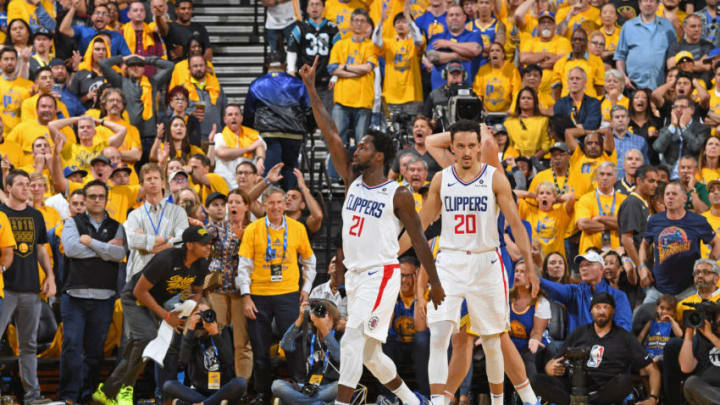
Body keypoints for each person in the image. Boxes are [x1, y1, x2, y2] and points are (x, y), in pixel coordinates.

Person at [300, 54, 445, 405]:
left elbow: (419, 238)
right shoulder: (352, 180)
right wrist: (311, 89)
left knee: (351, 339)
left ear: (379, 156)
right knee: (369, 355)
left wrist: (436, 283)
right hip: (355, 275)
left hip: (382, 274)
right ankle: (412, 402)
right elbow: (330, 132)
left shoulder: (397, 194)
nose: (356, 149)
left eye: (364, 146)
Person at [398, 119, 538, 405]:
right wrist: (391, 253)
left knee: (493, 340)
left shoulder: (495, 177)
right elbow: (420, 224)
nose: (465, 151)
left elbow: (518, 226)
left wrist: (532, 267)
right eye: (459, 146)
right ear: (452, 147)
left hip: (487, 261)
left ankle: (515, 400)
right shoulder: (441, 179)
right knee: (442, 335)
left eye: (471, 146)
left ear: (479, 147)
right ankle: (440, 401)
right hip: (450, 261)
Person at [93, 225, 211, 405]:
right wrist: (166, 316)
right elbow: (140, 291)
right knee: (147, 337)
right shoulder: (166, 259)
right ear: (189, 245)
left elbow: (197, 291)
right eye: (203, 244)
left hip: (155, 302)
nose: (208, 247)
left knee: (140, 348)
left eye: (209, 243)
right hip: (134, 298)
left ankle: (108, 391)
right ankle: (122, 388)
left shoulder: (201, 264)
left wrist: (190, 308)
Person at [235, 186, 317, 403]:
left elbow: (310, 261)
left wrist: (306, 290)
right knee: (260, 348)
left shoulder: (297, 228)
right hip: (258, 295)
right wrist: (245, 296)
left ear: (285, 204)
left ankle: (298, 387)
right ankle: (262, 392)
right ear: (263, 205)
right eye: (271, 202)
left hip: (288, 294)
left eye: (280, 202)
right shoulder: (253, 229)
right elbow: (244, 266)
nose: (276, 207)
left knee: (294, 345)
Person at [58, 179, 127, 404]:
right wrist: (105, 248)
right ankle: (69, 396)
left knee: (96, 352)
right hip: (74, 296)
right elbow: (71, 249)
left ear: (107, 200)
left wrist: (91, 243)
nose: (97, 200)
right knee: (71, 346)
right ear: (85, 200)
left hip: (104, 298)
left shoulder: (117, 225)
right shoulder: (71, 223)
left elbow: (119, 254)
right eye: (92, 196)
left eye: (101, 196)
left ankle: (87, 395)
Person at [533, 292, 661, 405]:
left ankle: (584, 402)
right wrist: (550, 368)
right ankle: (574, 401)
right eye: (597, 307)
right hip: (573, 387)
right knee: (537, 380)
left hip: (604, 391)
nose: (601, 311)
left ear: (613, 311)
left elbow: (653, 370)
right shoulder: (579, 333)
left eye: (606, 307)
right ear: (591, 311)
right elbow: (552, 363)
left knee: (625, 381)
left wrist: (653, 398)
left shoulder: (625, 337)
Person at [0, 170, 54, 404]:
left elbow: (42, 248)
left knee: (29, 346)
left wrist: (50, 275)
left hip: (31, 287)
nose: (26, 188)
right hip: (4, 289)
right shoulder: (1, 214)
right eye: (21, 184)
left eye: (28, 184)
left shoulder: (36, 215)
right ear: (8, 188)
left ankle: (32, 396)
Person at [639, 181, 720, 304]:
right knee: (641, 318)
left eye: (674, 194)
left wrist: (705, 268)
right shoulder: (654, 220)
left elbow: (716, 244)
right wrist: (642, 266)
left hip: (688, 289)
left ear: (684, 198)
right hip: (658, 289)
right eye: (667, 194)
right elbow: (644, 244)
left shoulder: (698, 220)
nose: (670, 197)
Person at [243, 53, 312, 190]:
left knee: (271, 174)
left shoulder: (257, 84)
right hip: (294, 134)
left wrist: (248, 130)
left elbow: (249, 112)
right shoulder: (297, 84)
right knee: (290, 170)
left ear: (267, 65)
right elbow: (309, 109)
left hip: (268, 134)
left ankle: (270, 205)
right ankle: (290, 203)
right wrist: (310, 127)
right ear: (284, 65)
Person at [162, 302, 248, 405]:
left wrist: (215, 334)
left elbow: (229, 361)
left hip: (223, 390)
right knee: (168, 385)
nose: (202, 318)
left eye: (205, 313)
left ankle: (201, 403)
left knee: (241, 382)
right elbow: (182, 362)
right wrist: (190, 330)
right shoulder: (189, 336)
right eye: (199, 314)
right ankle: (210, 403)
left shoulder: (223, 331)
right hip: (200, 391)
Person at [124, 163, 189, 283]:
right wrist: (166, 238)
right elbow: (133, 241)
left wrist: (147, 246)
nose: (153, 182)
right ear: (142, 184)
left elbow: (182, 240)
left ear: (163, 182)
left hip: (169, 276)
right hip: (139, 275)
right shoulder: (134, 215)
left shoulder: (178, 212)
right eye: (148, 179)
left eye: (156, 178)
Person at [99, 54, 174, 159]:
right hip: (129, 136)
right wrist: (123, 58)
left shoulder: (153, 83)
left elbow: (170, 66)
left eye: (139, 65)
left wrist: (147, 59)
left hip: (150, 137)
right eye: (132, 65)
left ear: (144, 68)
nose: (135, 67)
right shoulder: (121, 82)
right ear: (127, 68)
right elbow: (103, 64)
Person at [270, 300, 342, 404]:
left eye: (328, 317)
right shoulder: (307, 336)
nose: (324, 320)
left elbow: (338, 356)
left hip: (327, 387)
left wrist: (324, 329)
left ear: (334, 318)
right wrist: (300, 318)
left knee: (338, 387)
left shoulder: (340, 336)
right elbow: (285, 345)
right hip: (303, 386)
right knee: (277, 385)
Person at [541, 251, 632, 332]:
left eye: (588, 264)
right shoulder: (575, 291)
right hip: (577, 347)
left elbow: (624, 327)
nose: (583, 268)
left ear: (601, 269)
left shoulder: (618, 296)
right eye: (581, 266)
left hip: (606, 346)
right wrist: (536, 279)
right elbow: (554, 288)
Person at [328, 8, 378, 145]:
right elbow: (332, 68)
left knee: (361, 143)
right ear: (350, 23)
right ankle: (337, 167)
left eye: (362, 21)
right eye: (356, 20)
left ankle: (357, 168)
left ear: (367, 25)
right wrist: (357, 71)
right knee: (337, 141)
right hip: (342, 100)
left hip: (363, 100)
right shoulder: (340, 44)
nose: (359, 24)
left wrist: (344, 67)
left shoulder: (371, 46)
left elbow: (368, 68)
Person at [286, 0, 340, 113]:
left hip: (326, 81)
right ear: (306, 9)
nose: (315, 7)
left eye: (318, 4)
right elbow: (292, 50)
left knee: (326, 116)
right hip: (305, 80)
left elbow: (339, 52)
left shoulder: (332, 28)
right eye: (312, 4)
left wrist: (335, 76)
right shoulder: (300, 27)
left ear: (324, 8)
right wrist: (291, 70)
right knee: (306, 116)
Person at [615, 0, 678, 90]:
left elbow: (674, 54)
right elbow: (620, 56)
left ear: (657, 5)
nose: (648, 4)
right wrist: (623, 77)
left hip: (661, 87)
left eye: (652, 1)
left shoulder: (667, 25)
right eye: (645, 1)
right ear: (640, 4)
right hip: (633, 87)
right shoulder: (628, 26)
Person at [373, 8, 424, 116]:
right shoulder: (389, 43)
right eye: (398, 22)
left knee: (412, 130)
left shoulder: (414, 43)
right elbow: (376, 41)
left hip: (413, 96)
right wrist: (381, 22)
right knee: (392, 132)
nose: (400, 25)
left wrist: (410, 21)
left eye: (404, 22)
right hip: (391, 97)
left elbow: (418, 40)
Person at [508, 260, 551, 380]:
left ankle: (532, 396)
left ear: (533, 277)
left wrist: (533, 340)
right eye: (516, 271)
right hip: (512, 340)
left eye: (523, 272)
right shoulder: (506, 298)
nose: (517, 274)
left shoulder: (541, 302)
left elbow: (537, 332)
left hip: (535, 340)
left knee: (528, 356)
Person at [425, 4, 483, 90]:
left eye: (457, 15)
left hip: (466, 90)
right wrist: (459, 56)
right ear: (446, 19)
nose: (454, 17)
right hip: (439, 93)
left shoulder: (474, 36)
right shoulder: (437, 37)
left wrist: (448, 44)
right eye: (451, 15)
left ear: (464, 18)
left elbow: (475, 50)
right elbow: (432, 57)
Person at [576, 162, 626, 253]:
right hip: (590, 252)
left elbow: (625, 224)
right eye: (602, 174)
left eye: (609, 174)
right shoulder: (585, 199)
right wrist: (613, 224)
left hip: (615, 253)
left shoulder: (624, 200)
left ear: (615, 178)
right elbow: (583, 224)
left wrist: (599, 218)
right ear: (597, 177)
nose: (605, 178)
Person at [213, 104, 265, 190]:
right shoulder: (219, 136)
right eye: (230, 115)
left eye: (236, 114)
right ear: (225, 119)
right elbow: (222, 153)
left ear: (241, 118)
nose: (234, 117)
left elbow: (260, 145)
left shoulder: (251, 135)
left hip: (248, 184)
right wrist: (249, 148)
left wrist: (260, 159)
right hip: (226, 183)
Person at [654, 96, 711, 173]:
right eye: (675, 107)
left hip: (692, 174)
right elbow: (658, 148)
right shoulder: (667, 129)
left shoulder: (703, 129)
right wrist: (673, 126)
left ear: (692, 110)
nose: (678, 109)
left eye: (682, 107)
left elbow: (695, 147)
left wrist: (683, 126)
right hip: (668, 175)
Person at [518, 181, 575, 258]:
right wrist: (533, 195)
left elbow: (571, 197)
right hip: (535, 260)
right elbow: (512, 194)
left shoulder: (560, 213)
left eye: (548, 193)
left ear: (554, 197)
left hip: (556, 260)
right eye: (541, 193)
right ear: (537, 198)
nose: (544, 196)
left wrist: (556, 199)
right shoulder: (530, 212)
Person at [618, 165, 659, 269]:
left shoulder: (646, 202)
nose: (655, 185)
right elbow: (626, 239)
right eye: (651, 181)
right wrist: (640, 267)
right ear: (639, 180)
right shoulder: (632, 203)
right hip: (637, 266)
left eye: (656, 182)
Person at [679, 306, 720, 404]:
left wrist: (711, 336)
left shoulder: (709, 335)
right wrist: (688, 333)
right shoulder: (701, 337)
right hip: (707, 393)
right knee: (690, 383)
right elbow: (686, 367)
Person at [551, 28, 605, 99]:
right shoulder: (560, 63)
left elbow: (600, 88)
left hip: (589, 104)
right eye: (575, 40)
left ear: (586, 42)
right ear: (571, 42)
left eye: (580, 40)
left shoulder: (596, 61)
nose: (577, 42)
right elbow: (556, 89)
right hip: (567, 105)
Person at [58, 3, 131, 56]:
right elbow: (63, 29)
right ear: (92, 17)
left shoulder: (117, 36)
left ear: (108, 19)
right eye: (97, 13)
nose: (100, 16)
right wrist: (73, 8)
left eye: (104, 14)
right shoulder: (82, 30)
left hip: (109, 73)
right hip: (86, 71)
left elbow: (127, 56)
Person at [182, 55, 227, 137]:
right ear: (189, 68)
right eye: (195, 66)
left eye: (201, 65)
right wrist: (189, 114)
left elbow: (225, 113)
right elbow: (172, 114)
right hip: (192, 137)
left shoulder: (217, 88)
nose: (199, 68)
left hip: (216, 137)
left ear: (206, 67)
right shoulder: (182, 89)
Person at [473, 42, 521, 114]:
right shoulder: (482, 70)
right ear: (489, 55)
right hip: (486, 114)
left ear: (503, 55)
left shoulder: (512, 70)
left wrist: (512, 110)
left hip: (507, 114)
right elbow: (478, 93)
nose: (494, 53)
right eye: (492, 51)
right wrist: (482, 109)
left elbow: (517, 93)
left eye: (497, 50)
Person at [121, 0, 167, 76]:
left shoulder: (152, 34)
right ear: (129, 14)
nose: (139, 13)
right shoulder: (121, 34)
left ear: (145, 14)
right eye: (135, 10)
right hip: (127, 78)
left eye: (142, 10)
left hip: (150, 79)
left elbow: (159, 57)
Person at [389, 116, 442, 180]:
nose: (418, 129)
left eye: (422, 127)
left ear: (430, 131)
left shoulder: (438, 154)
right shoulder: (402, 154)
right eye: (416, 127)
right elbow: (391, 178)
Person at [504, 87, 551, 159]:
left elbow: (546, 144)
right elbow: (508, 145)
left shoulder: (543, 121)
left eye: (529, 98)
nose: (526, 100)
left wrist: (532, 159)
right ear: (518, 102)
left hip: (537, 161)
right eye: (523, 98)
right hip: (513, 161)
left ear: (535, 102)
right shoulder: (509, 122)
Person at [553, 67, 602, 132]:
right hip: (565, 140)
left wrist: (569, 129)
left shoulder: (594, 103)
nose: (574, 81)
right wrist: (580, 127)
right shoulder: (560, 103)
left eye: (578, 78)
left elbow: (591, 126)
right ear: (567, 82)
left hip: (586, 140)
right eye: (571, 79)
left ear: (585, 82)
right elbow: (558, 126)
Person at [637, 293, 682, 359]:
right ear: (657, 308)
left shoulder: (673, 324)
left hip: (665, 356)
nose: (664, 311)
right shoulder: (651, 322)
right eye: (662, 308)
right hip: (649, 354)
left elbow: (679, 335)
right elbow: (641, 336)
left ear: (674, 312)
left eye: (668, 309)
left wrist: (672, 320)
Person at [0, 47, 32, 135]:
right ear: (0, 62)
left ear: (17, 62)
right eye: (6, 59)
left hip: (22, 134)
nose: (9, 62)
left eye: (12, 59)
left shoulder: (29, 85)